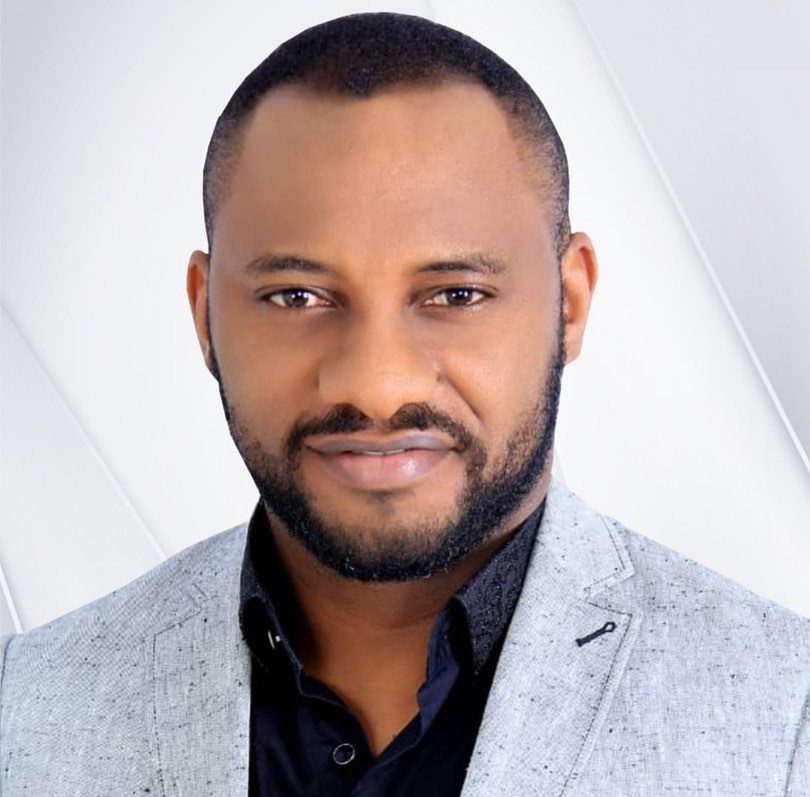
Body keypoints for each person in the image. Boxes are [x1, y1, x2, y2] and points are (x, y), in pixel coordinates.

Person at [1, 12, 808, 796]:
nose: (377, 385)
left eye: (455, 293)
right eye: (297, 296)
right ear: (204, 312)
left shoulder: (787, 714)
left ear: (569, 303)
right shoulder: (25, 705)